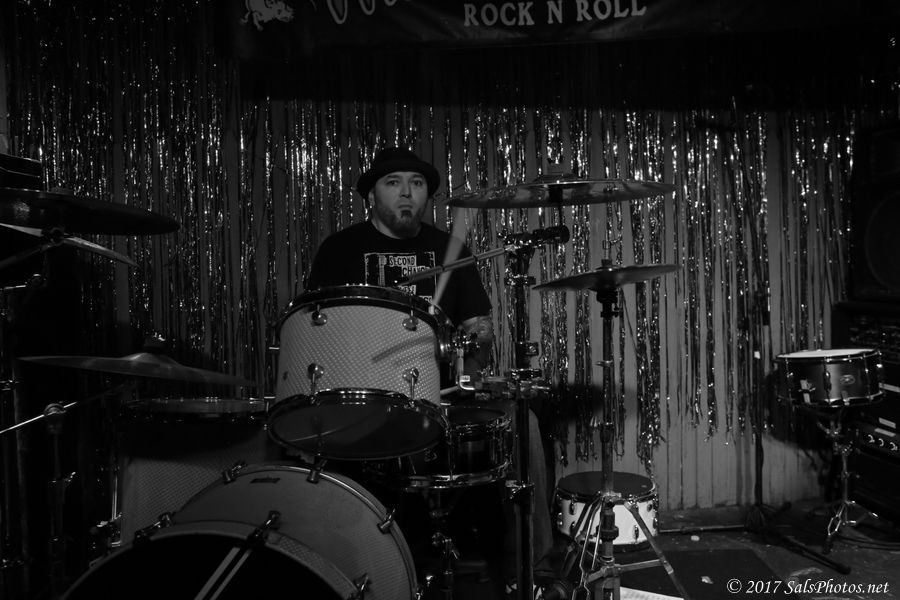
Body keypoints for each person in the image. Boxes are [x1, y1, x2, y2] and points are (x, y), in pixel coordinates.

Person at [306, 147, 556, 597]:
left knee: (525, 423)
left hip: (440, 394)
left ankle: (532, 570)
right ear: (372, 195)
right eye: (393, 182)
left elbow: (479, 328)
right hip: (364, 396)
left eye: (417, 183)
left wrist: (473, 360)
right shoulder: (340, 250)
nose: (407, 192)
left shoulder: (449, 250)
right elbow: (315, 329)